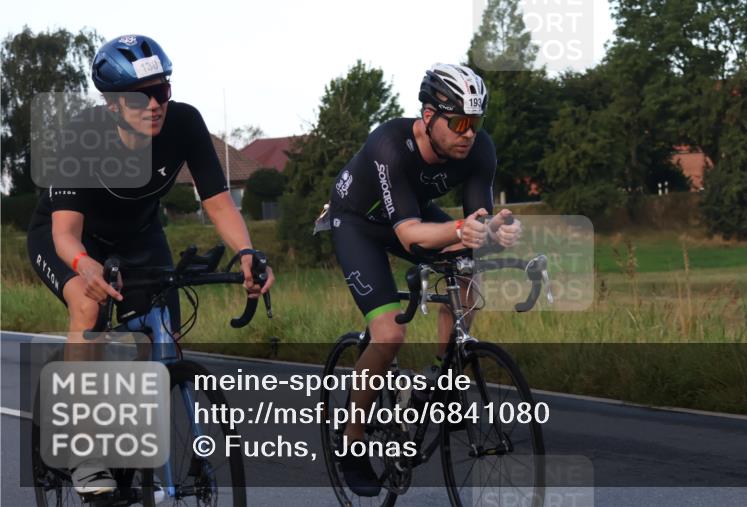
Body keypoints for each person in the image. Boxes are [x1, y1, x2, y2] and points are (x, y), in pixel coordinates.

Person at [26, 34, 275, 495]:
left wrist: (246, 252)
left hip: (140, 235)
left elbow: (219, 203)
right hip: (69, 237)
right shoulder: (83, 136)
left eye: (161, 91)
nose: (154, 105)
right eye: (140, 97)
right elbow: (64, 234)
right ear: (113, 104)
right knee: (87, 306)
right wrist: (84, 264)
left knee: (163, 334)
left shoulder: (185, 124)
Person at [322, 63, 522, 495]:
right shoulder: (390, 144)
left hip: (409, 216)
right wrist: (460, 230)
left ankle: (440, 374)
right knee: (389, 334)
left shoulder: (478, 150)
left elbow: (478, 221)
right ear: (429, 116)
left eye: (476, 122)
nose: (469, 133)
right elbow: (410, 235)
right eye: (460, 122)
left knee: (468, 264)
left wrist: (497, 232)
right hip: (358, 223)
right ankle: (351, 443)